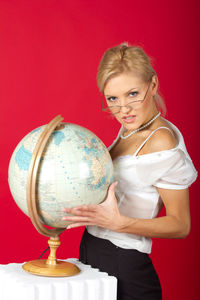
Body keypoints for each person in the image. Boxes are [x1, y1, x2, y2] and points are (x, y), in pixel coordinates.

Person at [62, 43, 198, 300]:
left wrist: (120, 223)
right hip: (92, 249)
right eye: (113, 99)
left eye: (133, 94)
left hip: (123, 262)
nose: (123, 109)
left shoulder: (161, 142)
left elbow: (181, 225)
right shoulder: (130, 128)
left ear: (153, 85)